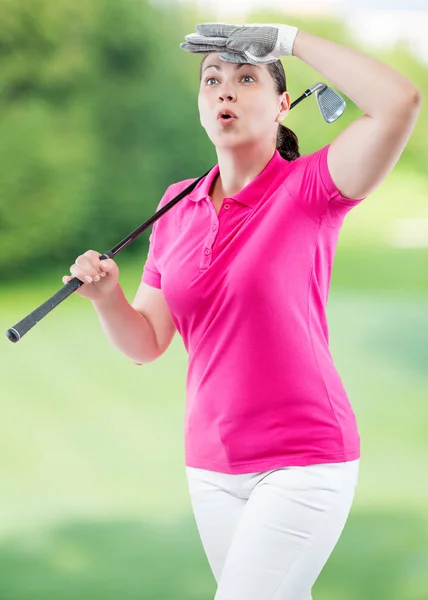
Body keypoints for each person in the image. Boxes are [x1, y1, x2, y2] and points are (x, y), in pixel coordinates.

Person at [63, 22, 422, 600]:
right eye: (213, 80)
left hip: (303, 460)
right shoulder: (175, 206)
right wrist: (108, 301)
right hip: (212, 467)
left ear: (282, 105)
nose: (225, 90)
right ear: (202, 104)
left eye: (245, 77)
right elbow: (147, 342)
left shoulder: (312, 188)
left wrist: (287, 39)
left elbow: (398, 101)